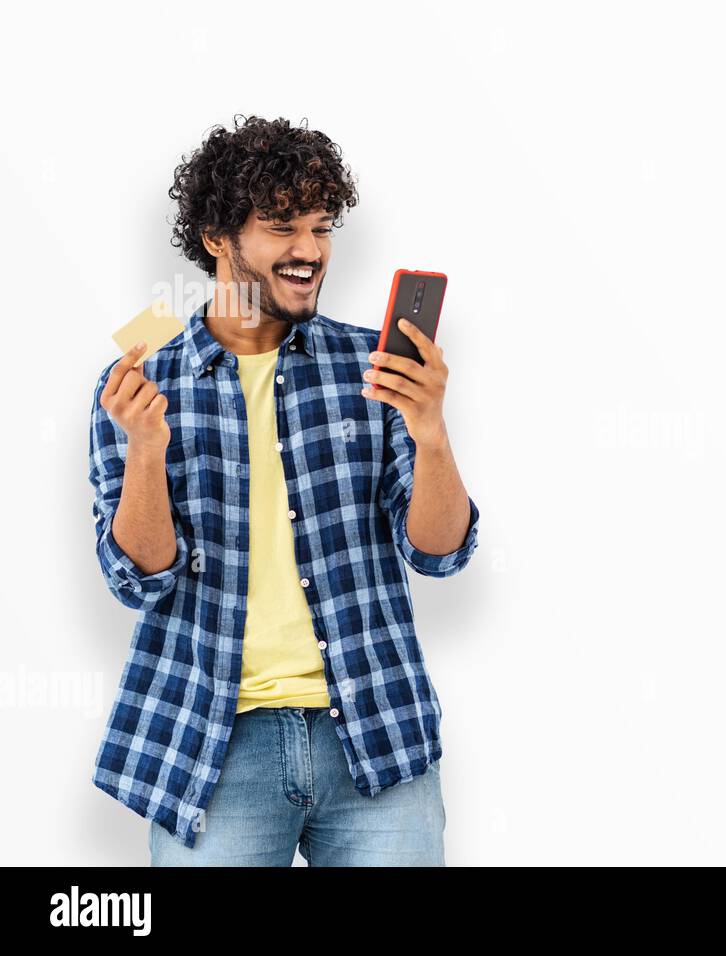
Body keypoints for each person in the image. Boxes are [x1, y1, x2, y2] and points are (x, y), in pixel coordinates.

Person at [88, 115, 479, 865]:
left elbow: (439, 554)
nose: (309, 250)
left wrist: (429, 430)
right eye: (280, 227)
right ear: (216, 237)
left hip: (375, 733)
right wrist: (144, 451)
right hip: (209, 747)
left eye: (321, 226)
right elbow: (138, 579)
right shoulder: (140, 386)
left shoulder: (374, 366)